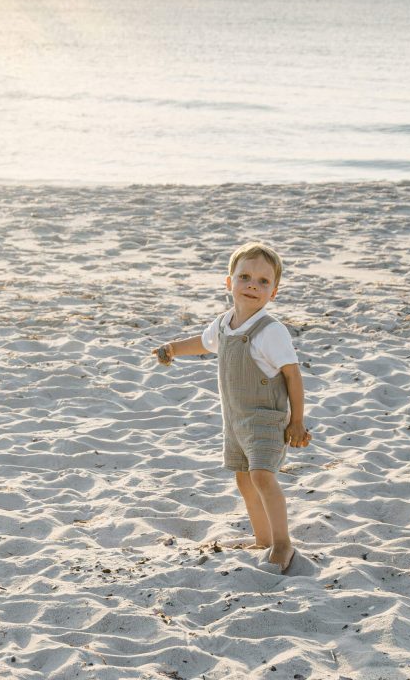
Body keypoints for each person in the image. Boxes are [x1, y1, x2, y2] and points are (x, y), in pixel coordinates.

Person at [151, 241, 311, 574]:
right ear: (229, 283)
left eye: (264, 282)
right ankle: (263, 539)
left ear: (274, 292)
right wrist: (172, 348)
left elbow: (293, 376)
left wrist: (297, 421)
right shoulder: (224, 324)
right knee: (243, 479)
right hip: (236, 421)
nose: (253, 285)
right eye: (245, 277)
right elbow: (204, 343)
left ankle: (283, 544)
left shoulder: (271, 331)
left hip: (267, 419)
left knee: (262, 476)